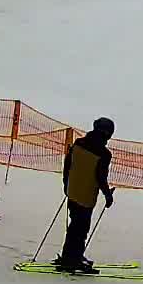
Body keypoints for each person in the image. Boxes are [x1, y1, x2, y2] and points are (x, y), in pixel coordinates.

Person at [55, 117, 116, 273]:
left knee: (74, 226)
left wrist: (66, 183)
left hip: (72, 191)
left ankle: (70, 255)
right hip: (86, 196)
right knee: (80, 229)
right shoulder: (103, 153)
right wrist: (108, 195)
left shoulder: (78, 144)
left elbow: (68, 164)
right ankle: (71, 261)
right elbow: (100, 177)